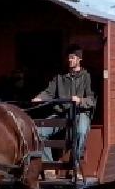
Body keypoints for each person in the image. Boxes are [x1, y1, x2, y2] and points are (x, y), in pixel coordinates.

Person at [32, 44, 96, 172]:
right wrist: (39, 98)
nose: (69, 60)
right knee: (38, 132)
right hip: (62, 114)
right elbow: (49, 92)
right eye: (69, 58)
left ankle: (75, 166)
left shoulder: (86, 76)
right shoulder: (60, 77)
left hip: (80, 113)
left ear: (79, 59)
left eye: (72, 58)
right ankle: (49, 167)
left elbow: (92, 100)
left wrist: (80, 101)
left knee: (82, 131)